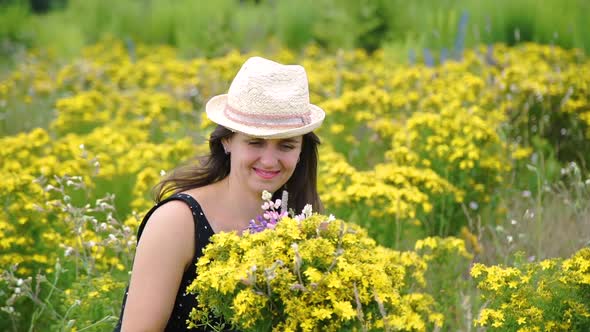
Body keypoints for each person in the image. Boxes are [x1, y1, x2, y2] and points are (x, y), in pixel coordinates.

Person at [114, 56, 326, 331]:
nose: (270, 161)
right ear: (227, 140)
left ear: (301, 152)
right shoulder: (176, 222)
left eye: (286, 146)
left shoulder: (303, 224)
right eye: (255, 143)